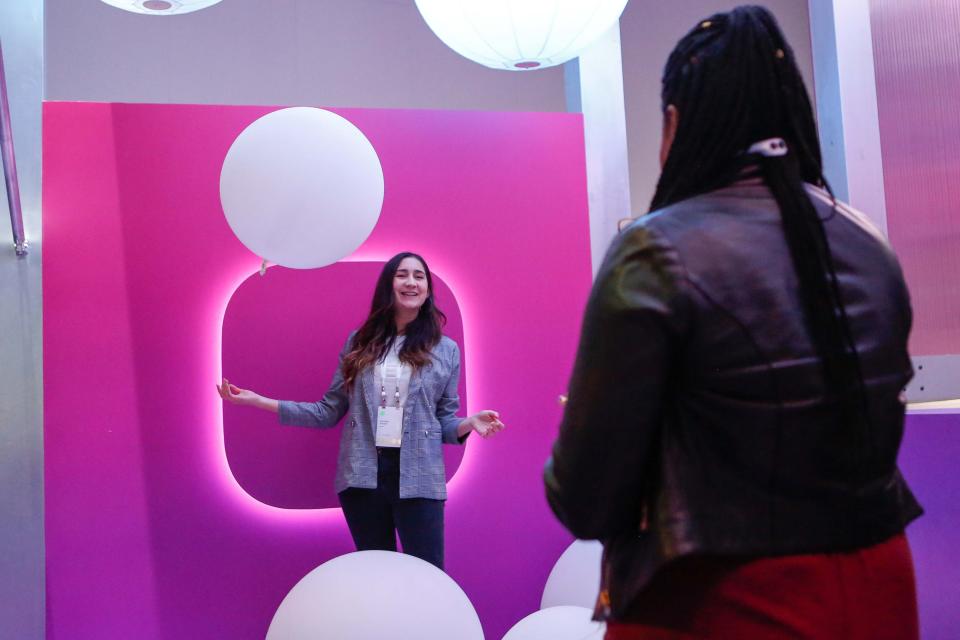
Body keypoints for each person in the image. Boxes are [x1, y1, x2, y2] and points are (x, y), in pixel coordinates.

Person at [544, 6, 921, 639]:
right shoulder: (867, 240)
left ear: (675, 126)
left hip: (718, 598)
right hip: (878, 584)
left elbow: (585, 498)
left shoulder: (654, 250)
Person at [219, 252, 505, 570]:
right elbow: (328, 411)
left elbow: (444, 422)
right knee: (376, 575)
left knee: (428, 575)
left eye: (419, 276)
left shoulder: (445, 349)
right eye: (402, 274)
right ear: (388, 284)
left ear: (428, 289)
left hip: (419, 475)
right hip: (363, 476)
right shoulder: (360, 342)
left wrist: (470, 423)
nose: (411, 282)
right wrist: (258, 401)